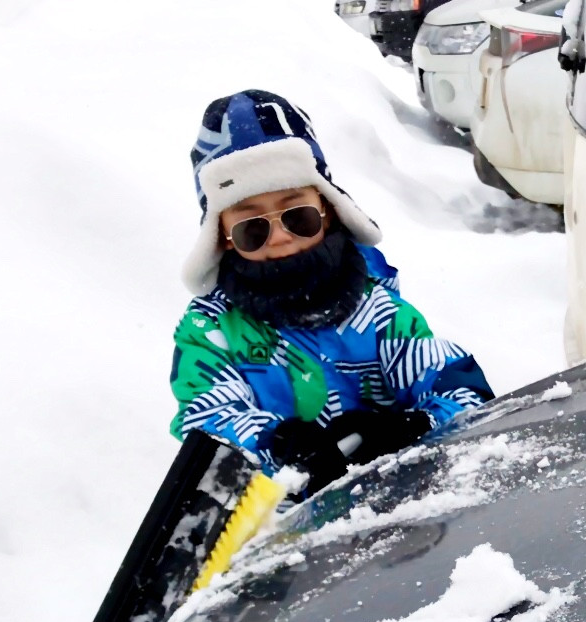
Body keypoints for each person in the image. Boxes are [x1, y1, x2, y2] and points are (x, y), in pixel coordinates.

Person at [170, 89, 493, 496]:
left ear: (327, 209)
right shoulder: (211, 334)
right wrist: (276, 445)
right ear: (224, 238)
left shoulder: (377, 314)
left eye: (298, 216)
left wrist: (410, 428)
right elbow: (208, 425)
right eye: (252, 227)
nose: (281, 237)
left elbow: (463, 392)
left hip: (399, 512)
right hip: (285, 534)